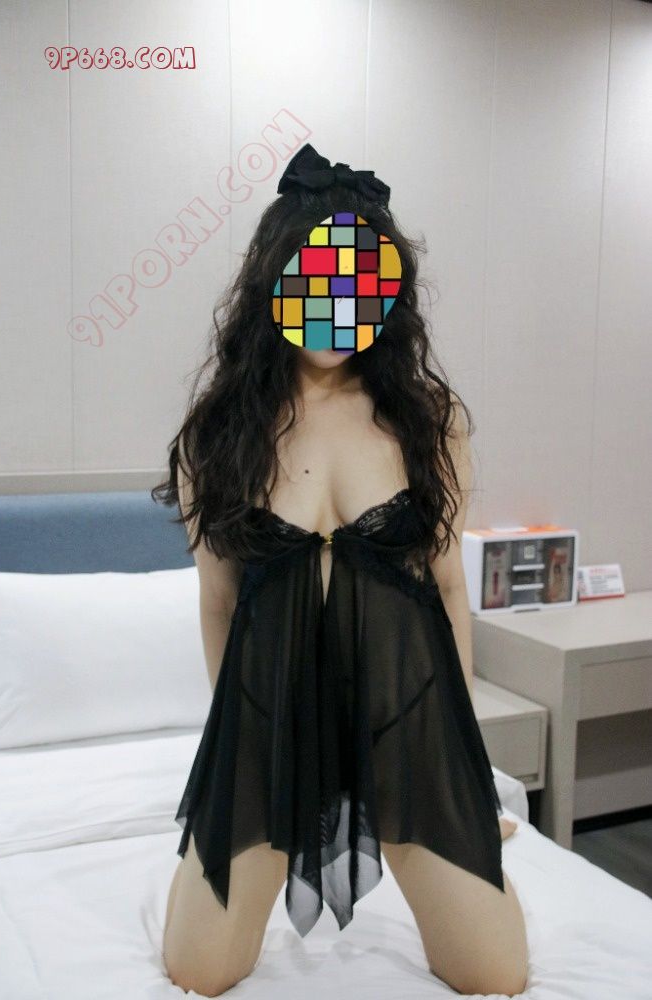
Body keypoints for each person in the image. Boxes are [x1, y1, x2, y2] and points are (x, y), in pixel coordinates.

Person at [153, 143, 529, 997]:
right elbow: (218, 605)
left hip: (407, 721)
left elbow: (446, 588)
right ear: (273, 283)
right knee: (198, 974)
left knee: (495, 977)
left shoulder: (427, 420)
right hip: (267, 725)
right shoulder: (221, 431)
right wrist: (237, 750)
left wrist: (462, 759)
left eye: (361, 284)